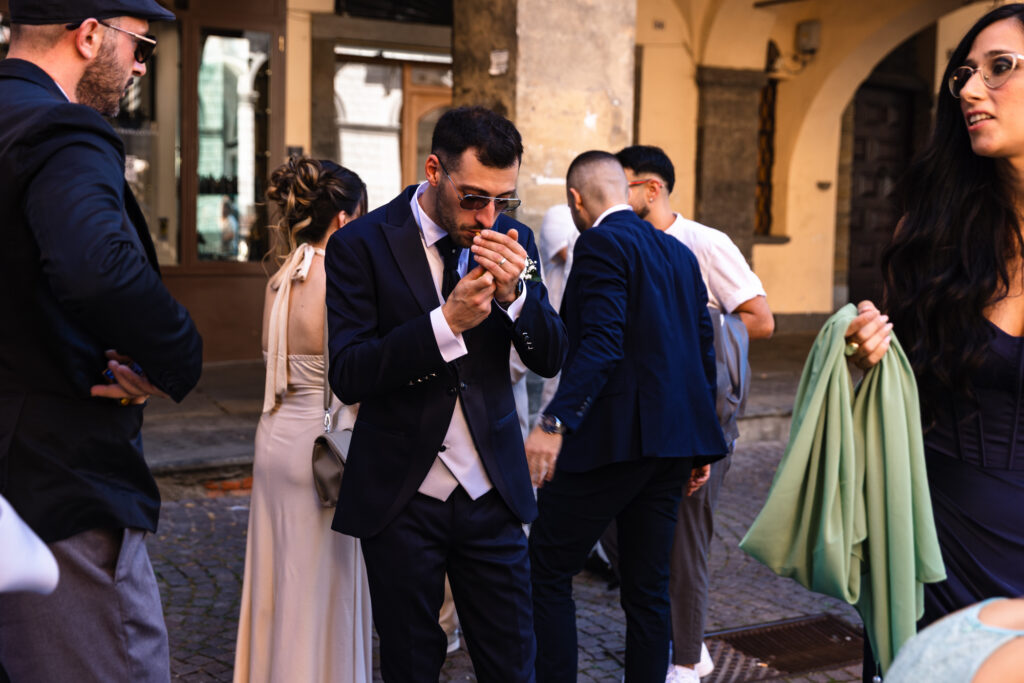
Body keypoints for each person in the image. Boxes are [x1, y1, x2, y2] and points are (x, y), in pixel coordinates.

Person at [324, 105, 567, 682]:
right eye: (474, 198)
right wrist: (445, 323)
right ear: (435, 170)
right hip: (402, 495)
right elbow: (351, 372)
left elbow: (552, 354)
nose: (488, 217)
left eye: (503, 200)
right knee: (411, 664)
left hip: (493, 492)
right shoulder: (361, 244)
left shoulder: (516, 238)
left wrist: (517, 300)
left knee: (512, 662)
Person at [0, 1, 203, 681]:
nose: (142, 65)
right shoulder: (63, 129)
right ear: (89, 35)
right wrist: (177, 352)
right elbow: (96, 265)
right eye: (140, 45)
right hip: (53, 480)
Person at [846, 2, 1024, 675]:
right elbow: (899, 393)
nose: (972, 90)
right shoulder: (933, 232)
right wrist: (869, 360)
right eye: (965, 76)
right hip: (923, 544)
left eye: (1000, 69)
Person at [525, 151, 727, 683]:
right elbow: (700, 353)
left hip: (614, 442)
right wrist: (701, 446)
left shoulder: (599, 242)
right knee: (647, 586)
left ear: (576, 200)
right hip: (673, 445)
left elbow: (602, 344)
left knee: (544, 568)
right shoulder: (677, 254)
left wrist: (553, 423)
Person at [613, 144, 774, 682]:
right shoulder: (618, 240)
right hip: (635, 418)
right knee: (623, 531)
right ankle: (676, 639)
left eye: (624, 184)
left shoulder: (704, 243)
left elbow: (760, 319)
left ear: (651, 189)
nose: (615, 196)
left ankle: (687, 659)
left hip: (697, 418)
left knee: (685, 541)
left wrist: (686, 337)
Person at [233, 157, 371, 683]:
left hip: (273, 442)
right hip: (322, 452)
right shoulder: (341, 280)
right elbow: (352, 380)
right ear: (343, 220)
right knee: (320, 583)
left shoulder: (279, 280)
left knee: (276, 576)